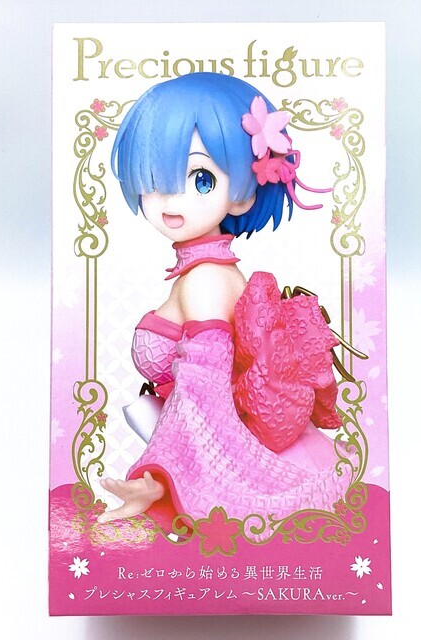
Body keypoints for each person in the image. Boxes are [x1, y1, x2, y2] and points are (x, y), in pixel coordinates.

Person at [98, 72, 355, 530]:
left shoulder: (205, 280)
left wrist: (162, 478)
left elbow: (204, 398)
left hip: (225, 449)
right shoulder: (211, 270)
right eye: (155, 177)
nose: (170, 199)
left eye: (200, 179)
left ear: (241, 194)